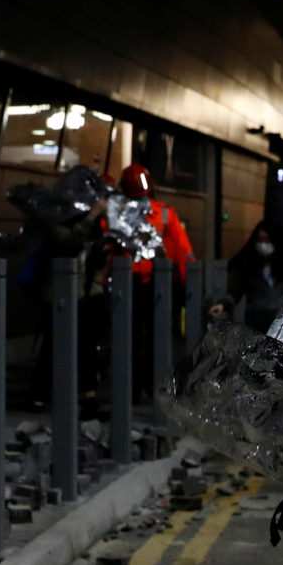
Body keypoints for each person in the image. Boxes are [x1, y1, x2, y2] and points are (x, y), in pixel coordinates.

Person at [98, 163, 194, 398]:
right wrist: (185, 284)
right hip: (150, 285)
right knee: (152, 337)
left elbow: (104, 246)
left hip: (133, 284)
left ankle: (134, 388)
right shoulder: (163, 213)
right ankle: (149, 387)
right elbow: (183, 252)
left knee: (131, 337)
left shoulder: (116, 213)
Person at [227, 220, 283, 333]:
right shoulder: (249, 265)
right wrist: (224, 304)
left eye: (267, 240)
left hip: (280, 323)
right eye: (260, 240)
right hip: (256, 321)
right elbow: (234, 291)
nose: (263, 245)